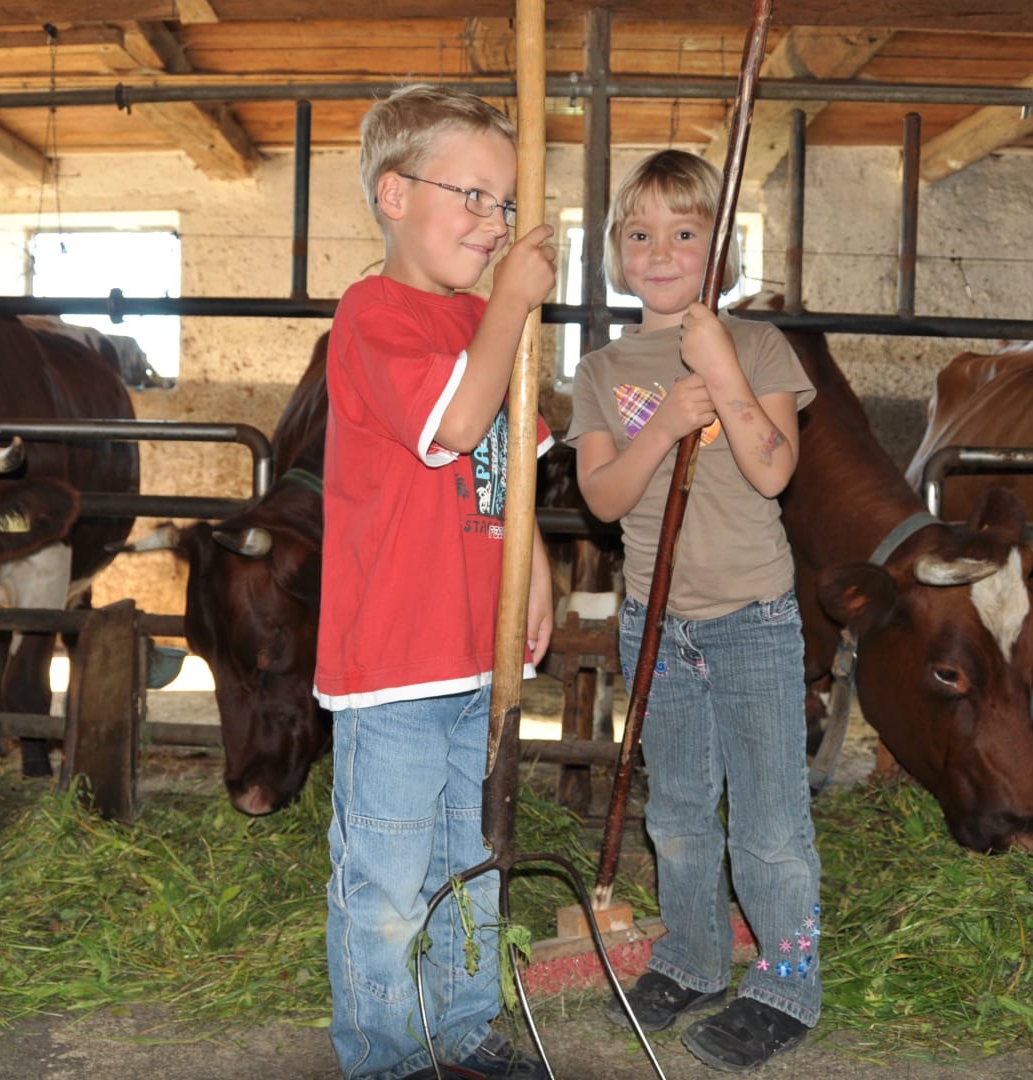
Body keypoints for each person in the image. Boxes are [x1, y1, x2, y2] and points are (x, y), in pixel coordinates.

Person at [316, 83, 559, 1080]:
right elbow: (456, 425)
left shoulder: (483, 324)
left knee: (476, 857)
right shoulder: (373, 314)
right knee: (386, 878)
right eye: (473, 196)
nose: (495, 222)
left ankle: (460, 1025)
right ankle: (385, 1054)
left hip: (477, 652)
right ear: (394, 193)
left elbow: (511, 463)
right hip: (396, 663)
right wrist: (510, 305)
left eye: (507, 204)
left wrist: (535, 570)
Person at [564, 148, 822, 1072]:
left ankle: (787, 982)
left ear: (720, 251)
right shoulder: (601, 369)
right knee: (675, 812)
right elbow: (601, 497)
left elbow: (773, 469)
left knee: (770, 825)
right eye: (640, 234)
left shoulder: (759, 347)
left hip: (752, 618)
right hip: (656, 626)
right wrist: (666, 424)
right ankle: (695, 958)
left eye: (684, 232)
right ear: (615, 252)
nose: (661, 251)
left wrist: (720, 366)